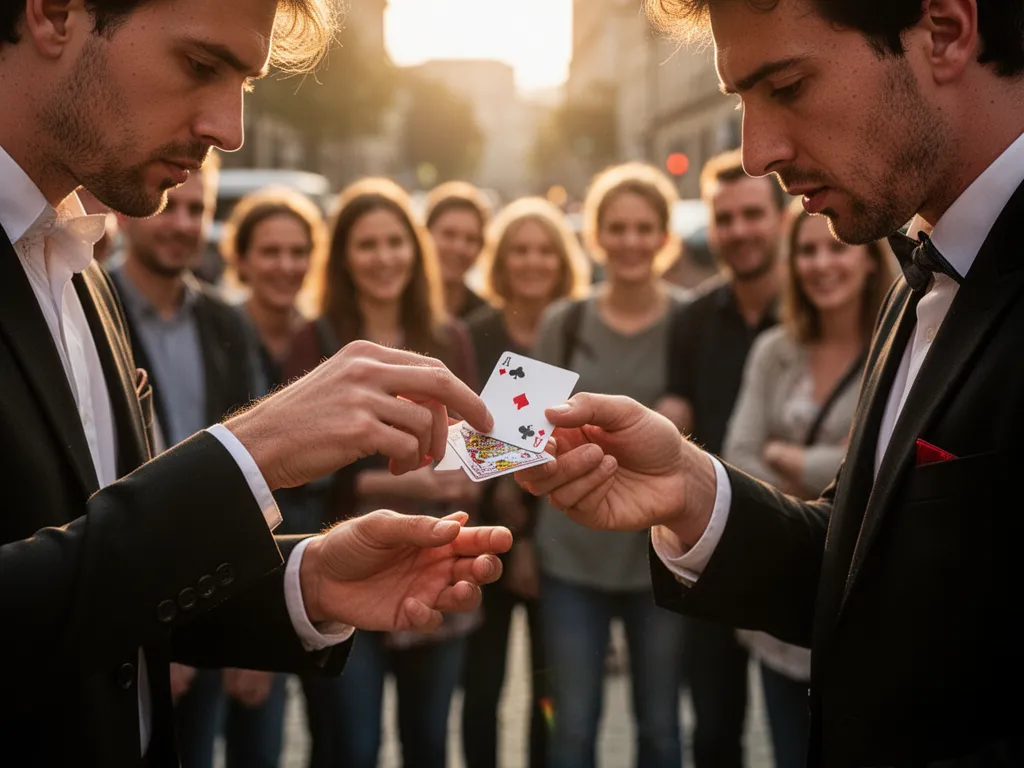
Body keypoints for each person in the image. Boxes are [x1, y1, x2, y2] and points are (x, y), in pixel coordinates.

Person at [0, 2, 511, 766]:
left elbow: (101, 581)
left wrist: (306, 581)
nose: (228, 129)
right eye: (202, 66)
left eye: (245, 80)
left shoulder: (73, 264)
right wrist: (251, 449)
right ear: (53, 14)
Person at [517, 0, 1024, 764]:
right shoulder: (924, 272)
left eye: (786, 87)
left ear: (945, 32)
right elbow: (860, 574)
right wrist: (691, 489)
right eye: (741, 102)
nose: (755, 153)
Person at [284, 178, 482, 768]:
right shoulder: (313, 341)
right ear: (343, 256)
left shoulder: (449, 337)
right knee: (351, 746)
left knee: (427, 743)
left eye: (396, 241)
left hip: (434, 563)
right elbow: (299, 473)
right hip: (344, 568)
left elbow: (471, 448)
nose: (384, 257)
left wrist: (475, 476)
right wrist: (399, 483)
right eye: (366, 244)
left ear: (415, 250)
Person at [722, 201, 895, 767]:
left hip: (868, 609)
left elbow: (884, 471)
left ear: (871, 259)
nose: (822, 263)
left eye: (837, 247)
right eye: (807, 250)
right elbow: (739, 457)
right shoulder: (775, 350)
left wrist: (789, 456)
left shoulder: (902, 350)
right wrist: (834, 467)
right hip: (784, 604)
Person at [110, 152, 265, 768]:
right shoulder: (92, 312)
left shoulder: (226, 319)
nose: (183, 223)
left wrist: (254, 628)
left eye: (198, 209)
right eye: (171, 205)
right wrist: (150, 636)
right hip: (126, 597)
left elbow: (255, 471)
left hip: (218, 587)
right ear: (125, 213)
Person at [532, 163, 690, 768]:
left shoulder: (688, 320)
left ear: (663, 236)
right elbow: (525, 440)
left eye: (643, 227)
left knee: (660, 728)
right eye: (616, 228)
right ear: (596, 236)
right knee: (571, 728)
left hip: (663, 557)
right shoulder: (563, 322)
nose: (630, 241)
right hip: (571, 555)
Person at [656, 148, 787, 768]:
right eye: (725, 218)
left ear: (782, 219)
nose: (739, 231)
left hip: (801, 538)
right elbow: (676, 409)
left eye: (752, 215)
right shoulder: (692, 318)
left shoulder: (822, 306)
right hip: (715, 542)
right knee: (712, 731)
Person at [460, 197, 591, 768]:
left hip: (562, 535)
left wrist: (538, 536)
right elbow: (464, 444)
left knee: (549, 690)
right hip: (482, 534)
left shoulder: (579, 328)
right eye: (520, 250)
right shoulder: (474, 333)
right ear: (501, 259)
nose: (533, 261)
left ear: (561, 259)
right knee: (481, 686)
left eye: (544, 249)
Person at [216, 186, 330, 768]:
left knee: (339, 734)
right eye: (270, 251)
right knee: (254, 743)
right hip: (243, 550)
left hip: (322, 542)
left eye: (297, 251)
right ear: (241, 258)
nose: (286, 266)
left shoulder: (324, 339)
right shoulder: (218, 331)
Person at [424, 180, 492, 319]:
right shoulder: (394, 307)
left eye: (471, 239)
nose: (459, 248)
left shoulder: (486, 317)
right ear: (425, 235)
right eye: (449, 235)